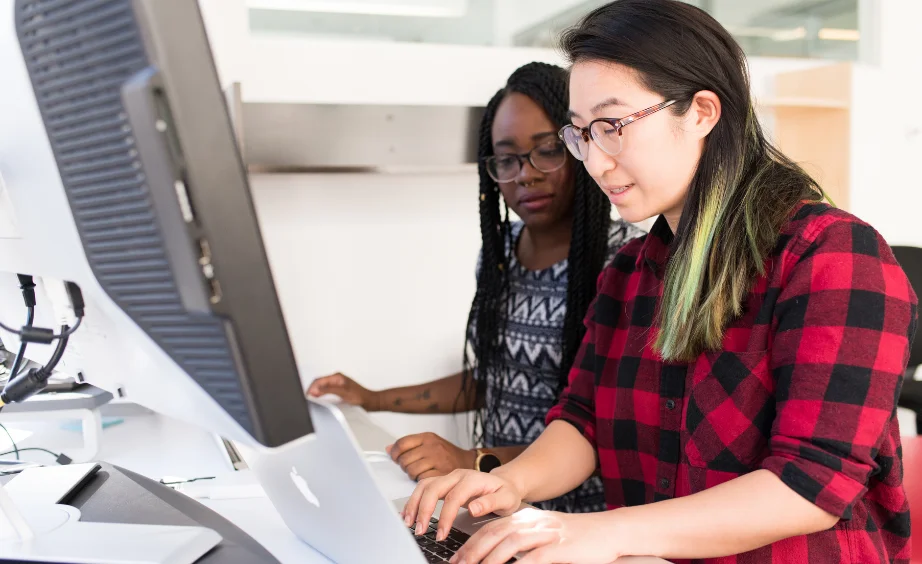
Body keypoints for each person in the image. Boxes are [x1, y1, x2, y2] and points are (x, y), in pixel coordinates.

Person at [400, 1, 917, 563]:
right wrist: (513, 483)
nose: (595, 162)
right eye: (581, 135)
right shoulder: (628, 274)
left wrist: (599, 532)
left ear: (700, 111)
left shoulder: (833, 255)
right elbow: (583, 420)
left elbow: (809, 484)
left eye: (612, 126)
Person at [306, 62, 643, 514]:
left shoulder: (626, 262)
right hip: (502, 505)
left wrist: (474, 462)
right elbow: (492, 377)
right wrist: (372, 398)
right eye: (506, 159)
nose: (525, 174)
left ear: (580, 146)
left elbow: (606, 433)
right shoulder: (500, 253)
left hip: (579, 520)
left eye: (546, 151)